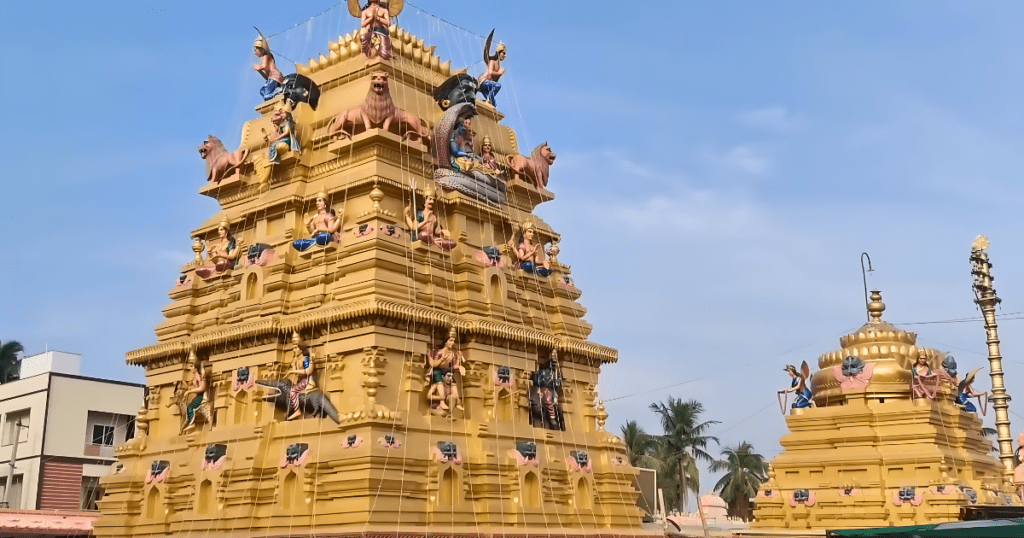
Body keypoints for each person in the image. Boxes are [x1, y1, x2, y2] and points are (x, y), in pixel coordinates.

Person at [427, 330, 466, 411]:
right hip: (438, 372)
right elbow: (433, 364)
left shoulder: (452, 353)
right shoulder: (439, 352)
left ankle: (457, 402)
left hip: (447, 372)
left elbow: (453, 366)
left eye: (453, 341)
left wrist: (459, 362)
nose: (452, 343)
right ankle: (442, 401)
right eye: (450, 340)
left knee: (452, 378)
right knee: (437, 374)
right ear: (446, 341)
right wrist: (442, 359)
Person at [254, 33, 286, 101]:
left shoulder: (266, 56)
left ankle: (280, 91)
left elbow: (264, 66)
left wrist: (259, 67)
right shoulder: (265, 57)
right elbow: (266, 77)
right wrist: (259, 71)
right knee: (262, 91)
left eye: (256, 50)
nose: (255, 52)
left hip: (275, 77)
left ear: (260, 48)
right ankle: (276, 93)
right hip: (271, 78)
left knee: (267, 96)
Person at [287, 344, 315, 420]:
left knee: (292, 391)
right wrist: (293, 365)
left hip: (306, 380)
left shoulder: (305, 359)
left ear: (301, 349)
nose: (294, 350)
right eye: (293, 348)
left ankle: (297, 411)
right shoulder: (296, 360)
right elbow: (296, 373)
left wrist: (292, 371)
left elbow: (308, 371)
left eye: (296, 348)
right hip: (300, 381)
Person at [478, 39, 506, 107]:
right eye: (503, 53)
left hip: (487, 86)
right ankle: (488, 100)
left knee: (493, 105)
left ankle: (483, 102)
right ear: (499, 52)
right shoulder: (492, 61)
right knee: (498, 86)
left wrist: (499, 74)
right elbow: (490, 73)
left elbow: (494, 80)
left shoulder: (498, 64)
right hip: (483, 82)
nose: (504, 55)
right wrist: (499, 73)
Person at [181, 362, 207, 432]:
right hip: (197, 396)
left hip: (202, 396)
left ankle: (192, 424)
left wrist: (189, 391)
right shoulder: (195, 378)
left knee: (190, 406)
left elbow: (202, 388)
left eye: (192, 366)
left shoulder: (201, 376)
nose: (190, 368)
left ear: (195, 368)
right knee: (187, 406)